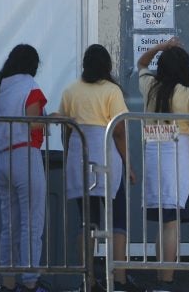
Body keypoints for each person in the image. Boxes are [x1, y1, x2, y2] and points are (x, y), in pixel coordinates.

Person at [57, 44, 142, 292]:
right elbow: (119, 131)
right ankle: (119, 278)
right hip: (107, 158)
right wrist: (129, 164)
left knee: (87, 221)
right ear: (107, 66)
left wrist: (70, 155)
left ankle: (88, 279)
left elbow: (65, 128)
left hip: (79, 158)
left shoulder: (71, 91)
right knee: (117, 218)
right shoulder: (112, 91)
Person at [137, 37, 189, 284]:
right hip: (177, 159)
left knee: (163, 221)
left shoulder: (150, 86)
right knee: (172, 223)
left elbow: (142, 63)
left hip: (154, 156)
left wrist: (161, 47)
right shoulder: (186, 94)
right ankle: (167, 279)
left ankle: (162, 274)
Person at [0, 44, 49, 292]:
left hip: (2, 158)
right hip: (25, 154)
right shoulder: (29, 86)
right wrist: (51, 118)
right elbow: (34, 122)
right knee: (31, 223)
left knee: (8, 225)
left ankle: (8, 282)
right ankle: (30, 281)